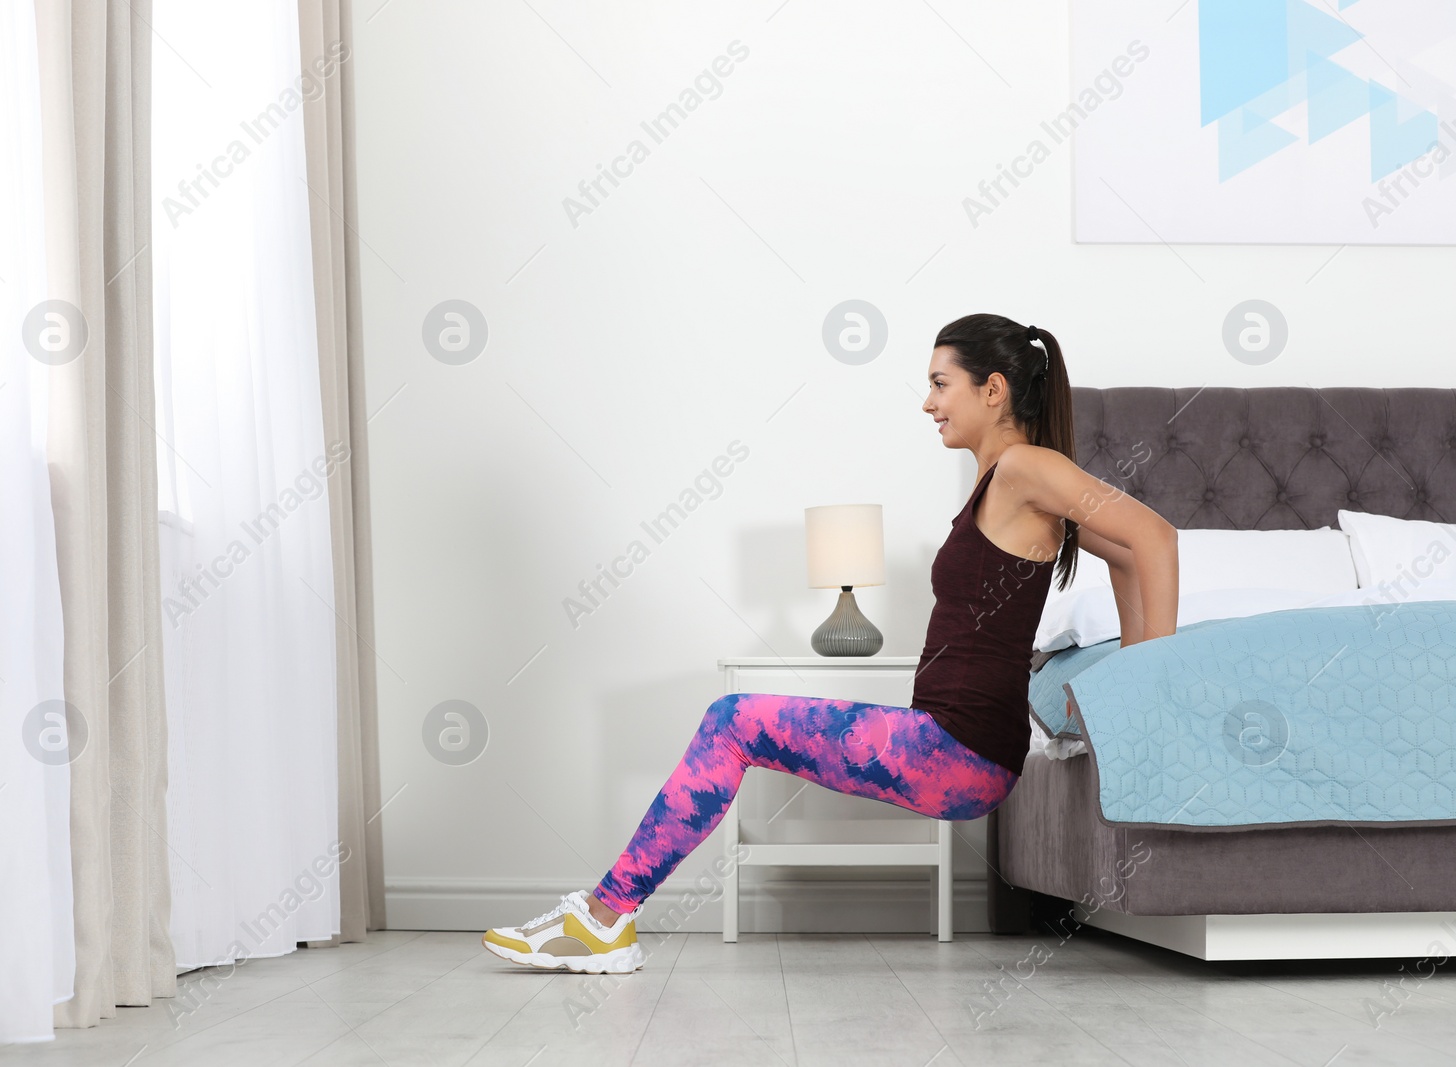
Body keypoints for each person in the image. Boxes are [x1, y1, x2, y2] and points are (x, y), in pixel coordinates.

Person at [481, 313, 1180, 974]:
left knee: (731, 721)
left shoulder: (1026, 467)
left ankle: (605, 917)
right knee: (734, 726)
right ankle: (606, 914)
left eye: (941, 383)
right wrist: (1127, 673)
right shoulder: (1006, 483)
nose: (928, 402)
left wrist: (1149, 683)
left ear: (992, 390)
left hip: (954, 752)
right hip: (952, 748)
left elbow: (1154, 537)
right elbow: (1121, 558)